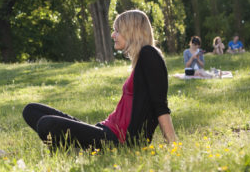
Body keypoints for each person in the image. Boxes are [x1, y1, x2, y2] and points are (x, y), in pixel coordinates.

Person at [22, 10, 178, 150]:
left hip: (116, 140)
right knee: (31, 110)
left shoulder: (149, 54)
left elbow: (160, 106)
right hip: (104, 130)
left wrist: (173, 144)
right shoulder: (141, 61)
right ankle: (74, 148)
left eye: (117, 31)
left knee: (47, 124)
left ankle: (73, 149)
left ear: (131, 31)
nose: (113, 35)